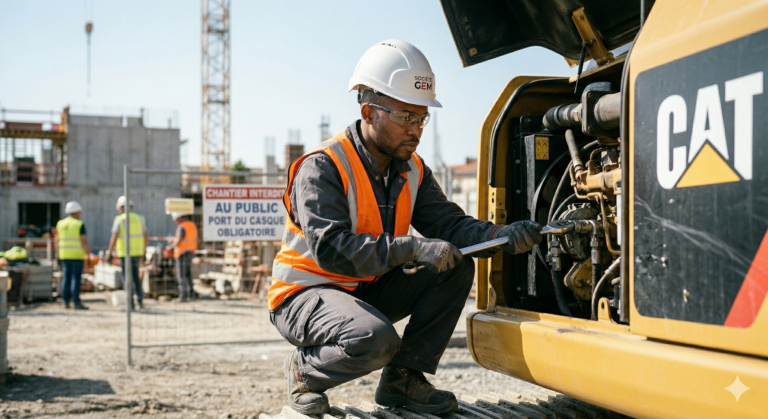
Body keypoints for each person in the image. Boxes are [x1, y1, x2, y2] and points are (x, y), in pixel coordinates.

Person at [269, 39, 543, 415]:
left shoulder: (411, 169)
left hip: (363, 289)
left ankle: (403, 378)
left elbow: (448, 224)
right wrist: (412, 249)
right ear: (368, 111)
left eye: (421, 118)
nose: (416, 130)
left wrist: (499, 235)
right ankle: (305, 370)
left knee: (456, 264)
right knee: (375, 339)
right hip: (305, 294)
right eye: (405, 117)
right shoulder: (323, 166)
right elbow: (332, 249)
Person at [106, 196, 148, 310]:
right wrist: (144, 252)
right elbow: (145, 236)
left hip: (125, 253)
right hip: (137, 253)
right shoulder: (140, 218)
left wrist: (109, 253)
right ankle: (140, 301)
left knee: (127, 279)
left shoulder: (120, 219)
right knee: (136, 278)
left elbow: (114, 236)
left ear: (121, 207)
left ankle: (130, 304)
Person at [54, 201, 91, 310]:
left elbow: (57, 240)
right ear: (77, 212)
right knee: (76, 278)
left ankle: (65, 301)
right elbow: (84, 240)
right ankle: (76, 302)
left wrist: (57, 254)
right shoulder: (79, 224)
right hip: (77, 256)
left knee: (66, 278)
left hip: (64, 255)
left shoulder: (60, 224)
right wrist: (88, 253)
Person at [167, 213, 198, 302]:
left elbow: (180, 239)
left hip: (182, 253)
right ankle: (192, 294)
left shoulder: (182, 226)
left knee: (181, 275)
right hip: (191, 252)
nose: (176, 222)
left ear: (179, 218)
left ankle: (183, 295)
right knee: (188, 274)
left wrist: (171, 246)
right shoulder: (191, 225)